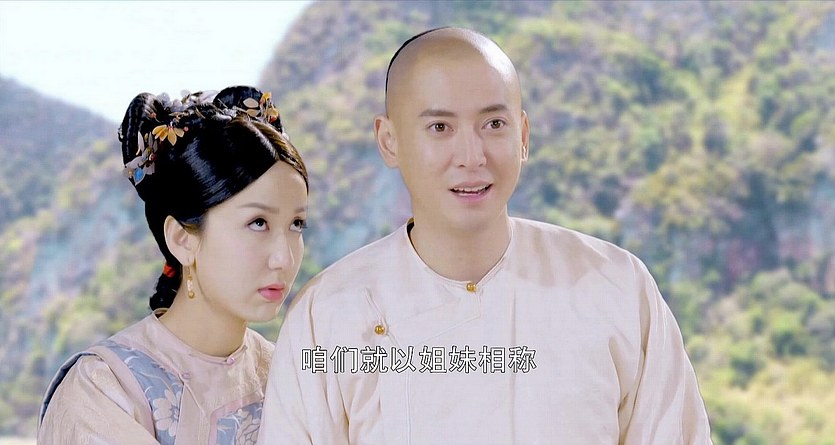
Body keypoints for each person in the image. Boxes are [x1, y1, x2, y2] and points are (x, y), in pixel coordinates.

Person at [258, 28, 712, 444]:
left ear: (523, 136)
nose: (472, 156)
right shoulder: (328, 315)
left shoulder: (615, 286)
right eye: (440, 128)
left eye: (494, 125)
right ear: (389, 141)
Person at [38, 86, 309, 444]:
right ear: (182, 239)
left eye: (297, 224)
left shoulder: (289, 374)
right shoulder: (104, 388)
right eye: (258, 223)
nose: (284, 258)